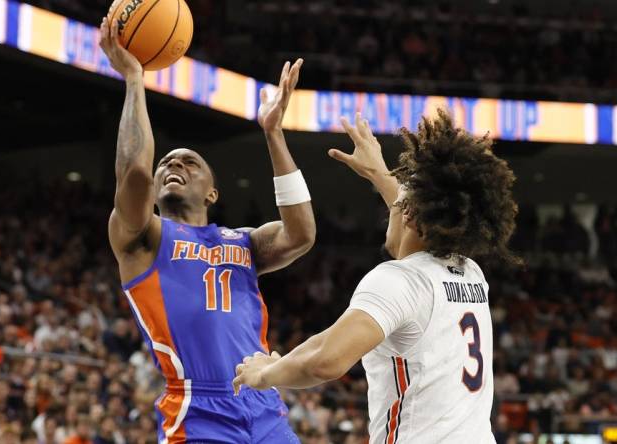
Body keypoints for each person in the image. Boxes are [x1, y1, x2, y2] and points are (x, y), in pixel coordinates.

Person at [234, 110, 519, 443]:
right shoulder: (471, 274)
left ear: (411, 216)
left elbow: (326, 360)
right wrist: (379, 172)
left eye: (397, 206)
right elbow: (414, 213)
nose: (391, 208)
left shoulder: (399, 280)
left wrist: (265, 374)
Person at [98, 15, 315, 444]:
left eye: (189, 162)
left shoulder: (245, 241)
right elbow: (136, 171)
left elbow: (301, 233)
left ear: (213, 193)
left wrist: (273, 134)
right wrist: (135, 79)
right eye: (168, 163)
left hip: (264, 401)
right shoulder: (144, 238)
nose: (173, 165)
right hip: (197, 409)